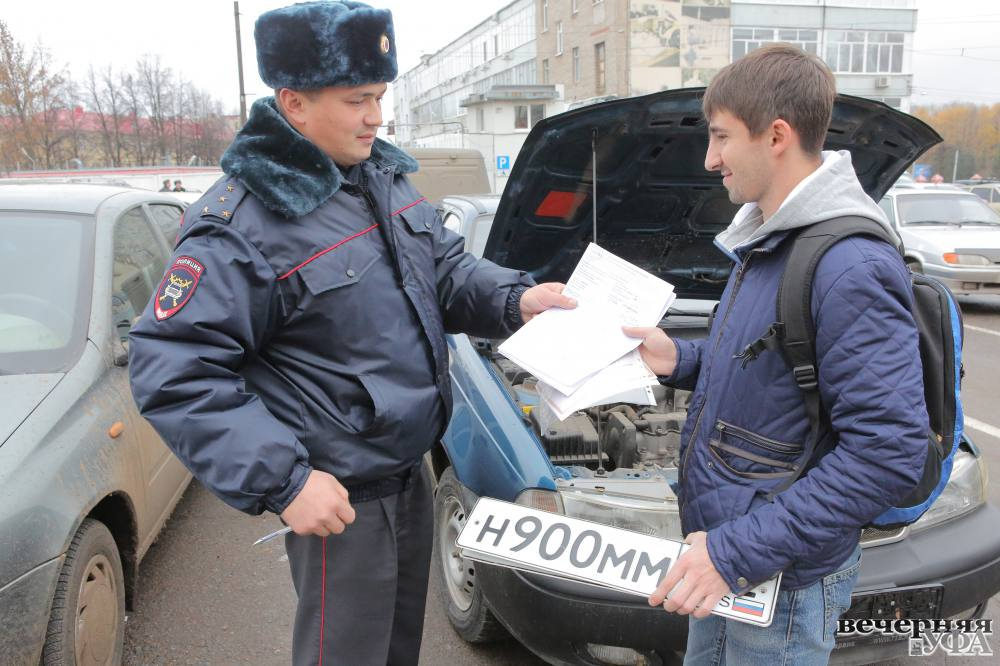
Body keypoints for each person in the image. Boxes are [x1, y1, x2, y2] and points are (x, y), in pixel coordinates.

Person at [127, 2, 574, 664]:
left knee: (395, 651)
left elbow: (443, 269)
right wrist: (284, 480)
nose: (377, 115)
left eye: (381, 96)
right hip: (335, 496)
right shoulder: (242, 223)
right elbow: (173, 367)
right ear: (294, 104)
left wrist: (516, 297)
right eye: (359, 99)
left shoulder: (378, 179)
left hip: (407, 475)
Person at [624, 44, 928, 664]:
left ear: (778, 136)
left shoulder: (849, 265)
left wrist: (735, 554)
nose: (710, 161)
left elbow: (888, 452)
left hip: (780, 584)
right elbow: (771, 371)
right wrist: (678, 360)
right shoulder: (773, 238)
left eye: (721, 138)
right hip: (728, 556)